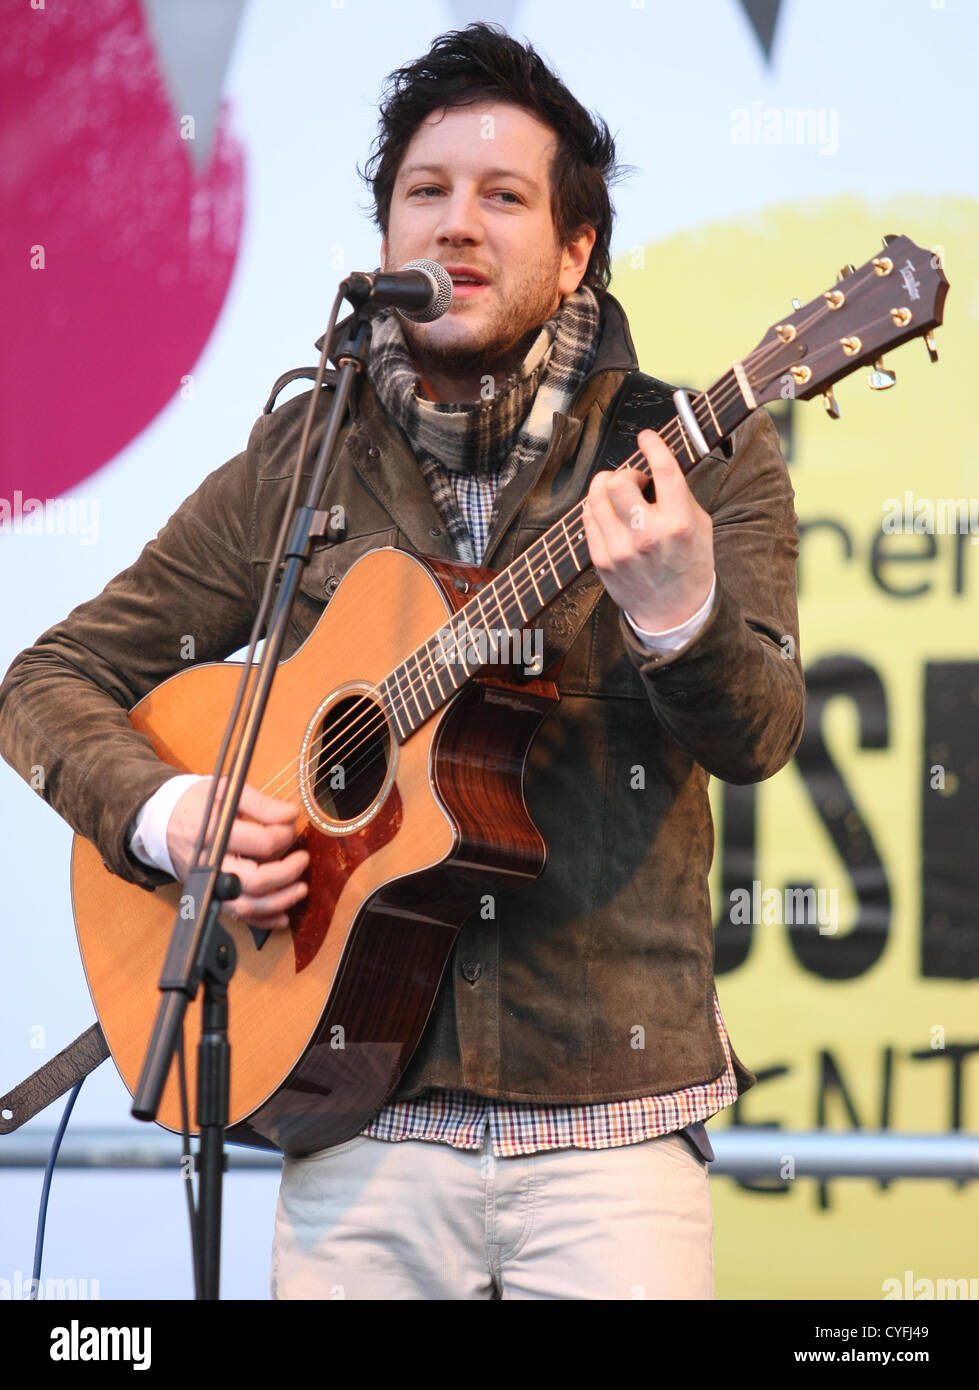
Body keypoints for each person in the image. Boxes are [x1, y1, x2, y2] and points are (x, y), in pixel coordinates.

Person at [0, 23, 804, 1299]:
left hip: (611, 1140)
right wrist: (167, 813)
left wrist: (677, 614)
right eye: (424, 193)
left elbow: (758, 733)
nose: (456, 226)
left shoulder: (688, 450)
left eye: (503, 196)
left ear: (575, 246)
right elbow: (44, 681)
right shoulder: (302, 454)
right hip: (351, 1126)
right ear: (384, 241)